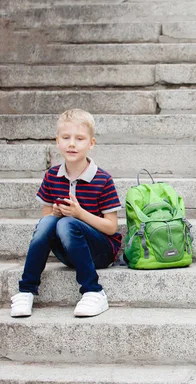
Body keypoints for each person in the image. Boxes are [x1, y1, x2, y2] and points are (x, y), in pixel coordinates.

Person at [10, 109, 122, 318]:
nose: (72, 144)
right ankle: (26, 290)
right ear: (57, 141)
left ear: (91, 143)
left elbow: (111, 227)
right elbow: (45, 222)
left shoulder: (102, 179)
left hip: (101, 251)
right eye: (66, 138)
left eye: (79, 139)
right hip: (70, 250)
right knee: (50, 223)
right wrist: (54, 212)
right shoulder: (52, 176)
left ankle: (93, 291)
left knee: (67, 224)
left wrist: (79, 214)